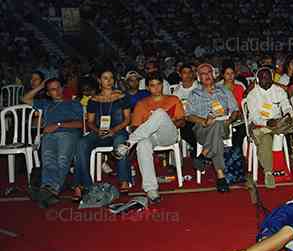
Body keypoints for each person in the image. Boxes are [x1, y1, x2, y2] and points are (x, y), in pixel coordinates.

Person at [112, 72, 185, 203]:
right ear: (147, 88)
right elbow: (135, 126)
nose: (156, 88)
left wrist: (163, 121)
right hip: (149, 136)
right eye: (152, 86)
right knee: (143, 144)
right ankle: (151, 190)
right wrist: (150, 125)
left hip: (168, 134)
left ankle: (128, 143)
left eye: (158, 85)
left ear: (162, 85)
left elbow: (182, 122)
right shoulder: (141, 103)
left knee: (160, 113)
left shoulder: (173, 99)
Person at [23, 78, 84, 208]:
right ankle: (48, 192)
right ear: (48, 93)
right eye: (52, 89)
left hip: (69, 134)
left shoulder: (73, 103)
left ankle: (50, 190)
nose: (57, 91)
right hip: (49, 135)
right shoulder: (46, 104)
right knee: (48, 159)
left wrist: (58, 125)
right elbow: (25, 99)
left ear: (62, 88)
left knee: (62, 159)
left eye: (58, 88)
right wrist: (40, 86)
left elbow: (81, 124)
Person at [73, 69, 131, 198]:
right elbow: (90, 122)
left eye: (111, 78)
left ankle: (124, 180)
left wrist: (113, 130)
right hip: (99, 132)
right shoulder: (93, 100)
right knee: (82, 143)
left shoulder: (122, 96)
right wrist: (97, 131)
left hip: (118, 131)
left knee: (119, 142)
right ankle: (82, 184)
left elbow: (127, 119)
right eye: (105, 78)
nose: (109, 81)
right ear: (99, 80)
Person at [186, 63, 240, 193]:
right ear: (199, 78)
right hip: (203, 128)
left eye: (209, 72)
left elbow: (235, 110)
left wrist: (230, 120)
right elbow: (188, 116)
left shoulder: (224, 90)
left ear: (214, 74)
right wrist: (203, 121)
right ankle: (220, 176)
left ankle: (204, 154)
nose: (207, 76)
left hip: (224, 125)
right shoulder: (194, 94)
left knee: (217, 124)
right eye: (203, 74)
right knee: (215, 132)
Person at [246, 67, 293, 188]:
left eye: (267, 77)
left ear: (272, 78)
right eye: (262, 78)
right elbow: (254, 117)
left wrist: (288, 113)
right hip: (261, 123)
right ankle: (268, 173)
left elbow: (287, 106)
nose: (265, 80)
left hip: (280, 122)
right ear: (257, 79)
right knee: (266, 138)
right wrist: (268, 123)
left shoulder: (279, 90)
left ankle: (264, 131)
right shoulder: (253, 95)